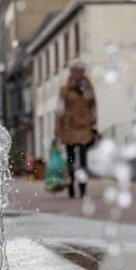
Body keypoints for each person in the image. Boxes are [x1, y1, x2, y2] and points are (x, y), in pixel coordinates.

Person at [55, 60, 97, 199]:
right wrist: (57, 131)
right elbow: (60, 110)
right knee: (71, 159)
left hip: (84, 128)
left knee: (83, 160)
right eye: (75, 71)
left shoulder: (88, 88)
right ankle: (72, 182)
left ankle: (83, 188)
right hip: (69, 128)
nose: (78, 74)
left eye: (81, 71)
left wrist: (93, 120)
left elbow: (93, 105)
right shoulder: (65, 89)